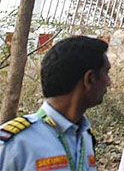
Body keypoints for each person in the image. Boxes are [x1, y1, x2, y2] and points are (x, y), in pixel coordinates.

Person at [0, 35, 110, 171]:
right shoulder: (15, 143)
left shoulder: (84, 137)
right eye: (106, 72)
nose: (109, 82)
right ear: (90, 79)